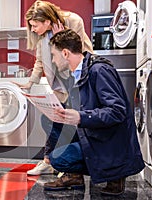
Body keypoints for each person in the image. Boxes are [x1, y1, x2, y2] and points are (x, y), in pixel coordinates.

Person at [42, 29, 145, 196]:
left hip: (109, 142)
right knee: (48, 119)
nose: (53, 60)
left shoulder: (99, 70)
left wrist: (81, 116)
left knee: (58, 159)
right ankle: (74, 176)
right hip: (93, 131)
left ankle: (115, 172)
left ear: (66, 53)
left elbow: (117, 111)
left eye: (54, 55)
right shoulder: (76, 75)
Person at [15, 0, 93, 176]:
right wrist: (30, 83)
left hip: (79, 80)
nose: (33, 29)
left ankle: (64, 165)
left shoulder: (74, 21)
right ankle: (53, 162)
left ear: (47, 21)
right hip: (61, 84)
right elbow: (40, 61)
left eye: (35, 25)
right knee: (53, 119)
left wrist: (62, 38)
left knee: (69, 123)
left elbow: (75, 55)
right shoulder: (43, 37)